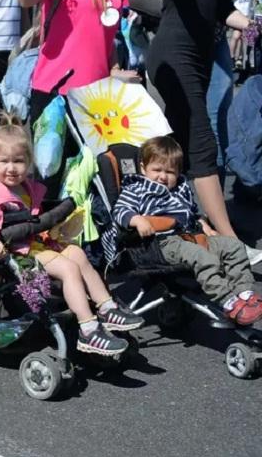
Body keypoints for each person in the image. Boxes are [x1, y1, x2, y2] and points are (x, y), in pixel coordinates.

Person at [0, 123, 143, 356]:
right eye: (4, 161)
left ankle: (106, 307)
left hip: (38, 243)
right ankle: (88, 329)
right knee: (69, 269)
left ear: (28, 163)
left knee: (78, 254)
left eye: (18, 161)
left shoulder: (26, 188)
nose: (11, 168)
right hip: (18, 252)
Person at [148, 0, 256, 247]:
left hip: (202, 54)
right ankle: (230, 240)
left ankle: (185, 223)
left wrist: (253, 25)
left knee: (180, 145)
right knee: (202, 141)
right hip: (172, 51)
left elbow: (223, 8)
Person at [103, 136, 261, 325]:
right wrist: (136, 219)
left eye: (170, 172)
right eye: (157, 170)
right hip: (158, 243)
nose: (163, 176)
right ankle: (227, 300)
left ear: (178, 172)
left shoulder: (180, 188)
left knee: (233, 246)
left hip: (190, 236)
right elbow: (120, 210)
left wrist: (206, 228)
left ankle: (245, 292)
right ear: (143, 168)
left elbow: (192, 214)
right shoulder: (136, 188)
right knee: (202, 257)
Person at [228, 0, 256, 70]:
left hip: (248, 15)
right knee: (236, 36)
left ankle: (245, 61)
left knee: (249, 40)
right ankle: (231, 57)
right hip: (237, 15)